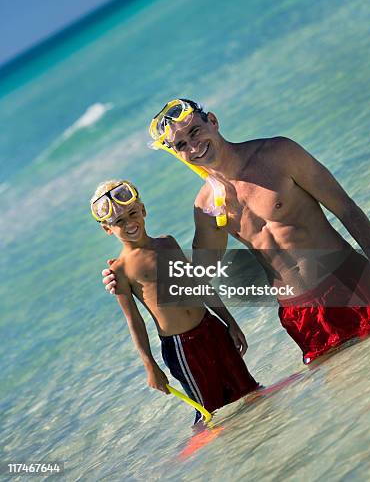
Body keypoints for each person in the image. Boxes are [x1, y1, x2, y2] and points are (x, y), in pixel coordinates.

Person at [103, 100, 370, 365]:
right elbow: (199, 277)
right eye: (181, 145)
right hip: (299, 313)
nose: (193, 146)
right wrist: (132, 265)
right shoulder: (208, 206)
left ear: (213, 121)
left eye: (194, 131)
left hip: (350, 282)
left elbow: (346, 208)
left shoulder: (278, 153)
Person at [91, 179, 259, 422]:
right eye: (118, 222)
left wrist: (229, 322)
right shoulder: (121, 270)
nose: (129, 223)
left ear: (143, 209)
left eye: (132, 213)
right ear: (108, 229)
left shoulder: (167, 243)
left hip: (211, 329)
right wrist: (149, 364)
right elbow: (134, 321)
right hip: (182, 347)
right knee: (209, 413)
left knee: (248, 390)